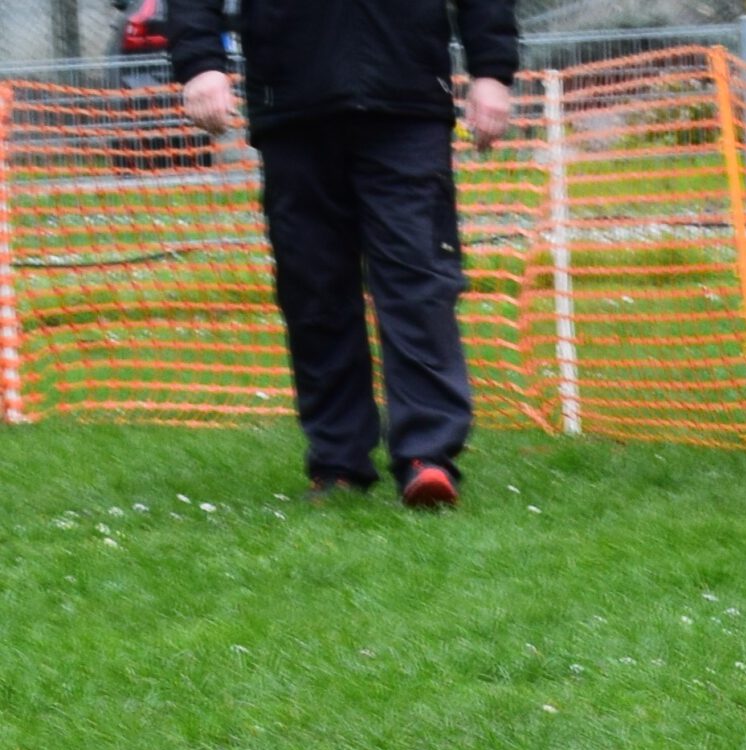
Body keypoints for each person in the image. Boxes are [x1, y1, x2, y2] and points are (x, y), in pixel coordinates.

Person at [167, 0, 517, 508]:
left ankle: (428, 457)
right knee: (314, 290)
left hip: (407, 100)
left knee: (419, 283)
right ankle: (338, 463)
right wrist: (201, 63)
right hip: (292, 102)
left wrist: (492, 71)